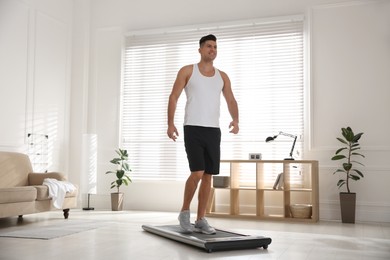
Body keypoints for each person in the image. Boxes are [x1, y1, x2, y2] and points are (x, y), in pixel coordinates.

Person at [167, 34, 239, 234]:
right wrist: (170, 123)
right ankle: (184, 212)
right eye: (208, 46)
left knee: (208, 175)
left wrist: (236, 119)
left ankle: (201, 219)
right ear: (200, 49)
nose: (212, 50)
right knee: (197, 172)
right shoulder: (188, 71)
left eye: (215, 47)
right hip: (193, 128)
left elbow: (231, 100)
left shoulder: (222, 76)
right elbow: (174, 96)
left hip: (213, 131)